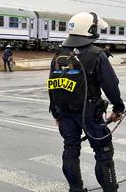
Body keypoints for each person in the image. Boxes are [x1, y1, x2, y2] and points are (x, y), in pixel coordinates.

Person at [48, 12, 124, 192]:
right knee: (103, 153)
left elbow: (53, 85)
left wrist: (57, 113)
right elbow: (111, 84)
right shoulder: (96, 54)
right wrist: (118, 108)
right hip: (90, 113)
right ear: (89, 29)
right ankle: (109, 189)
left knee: (70, 151)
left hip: (65, 113)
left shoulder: (59, 53)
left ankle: (75, 189)